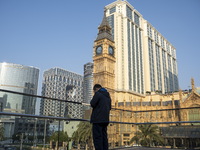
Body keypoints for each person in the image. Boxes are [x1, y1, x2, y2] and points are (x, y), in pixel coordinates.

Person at [90, 84, 111, 150]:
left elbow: (92, 103)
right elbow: (110, 107)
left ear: (96, 89)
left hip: (97, 119)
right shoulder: (108, 96)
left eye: (94, 91)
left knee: (97, 138)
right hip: (105, 120)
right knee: (104, 137)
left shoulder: (98, 94)